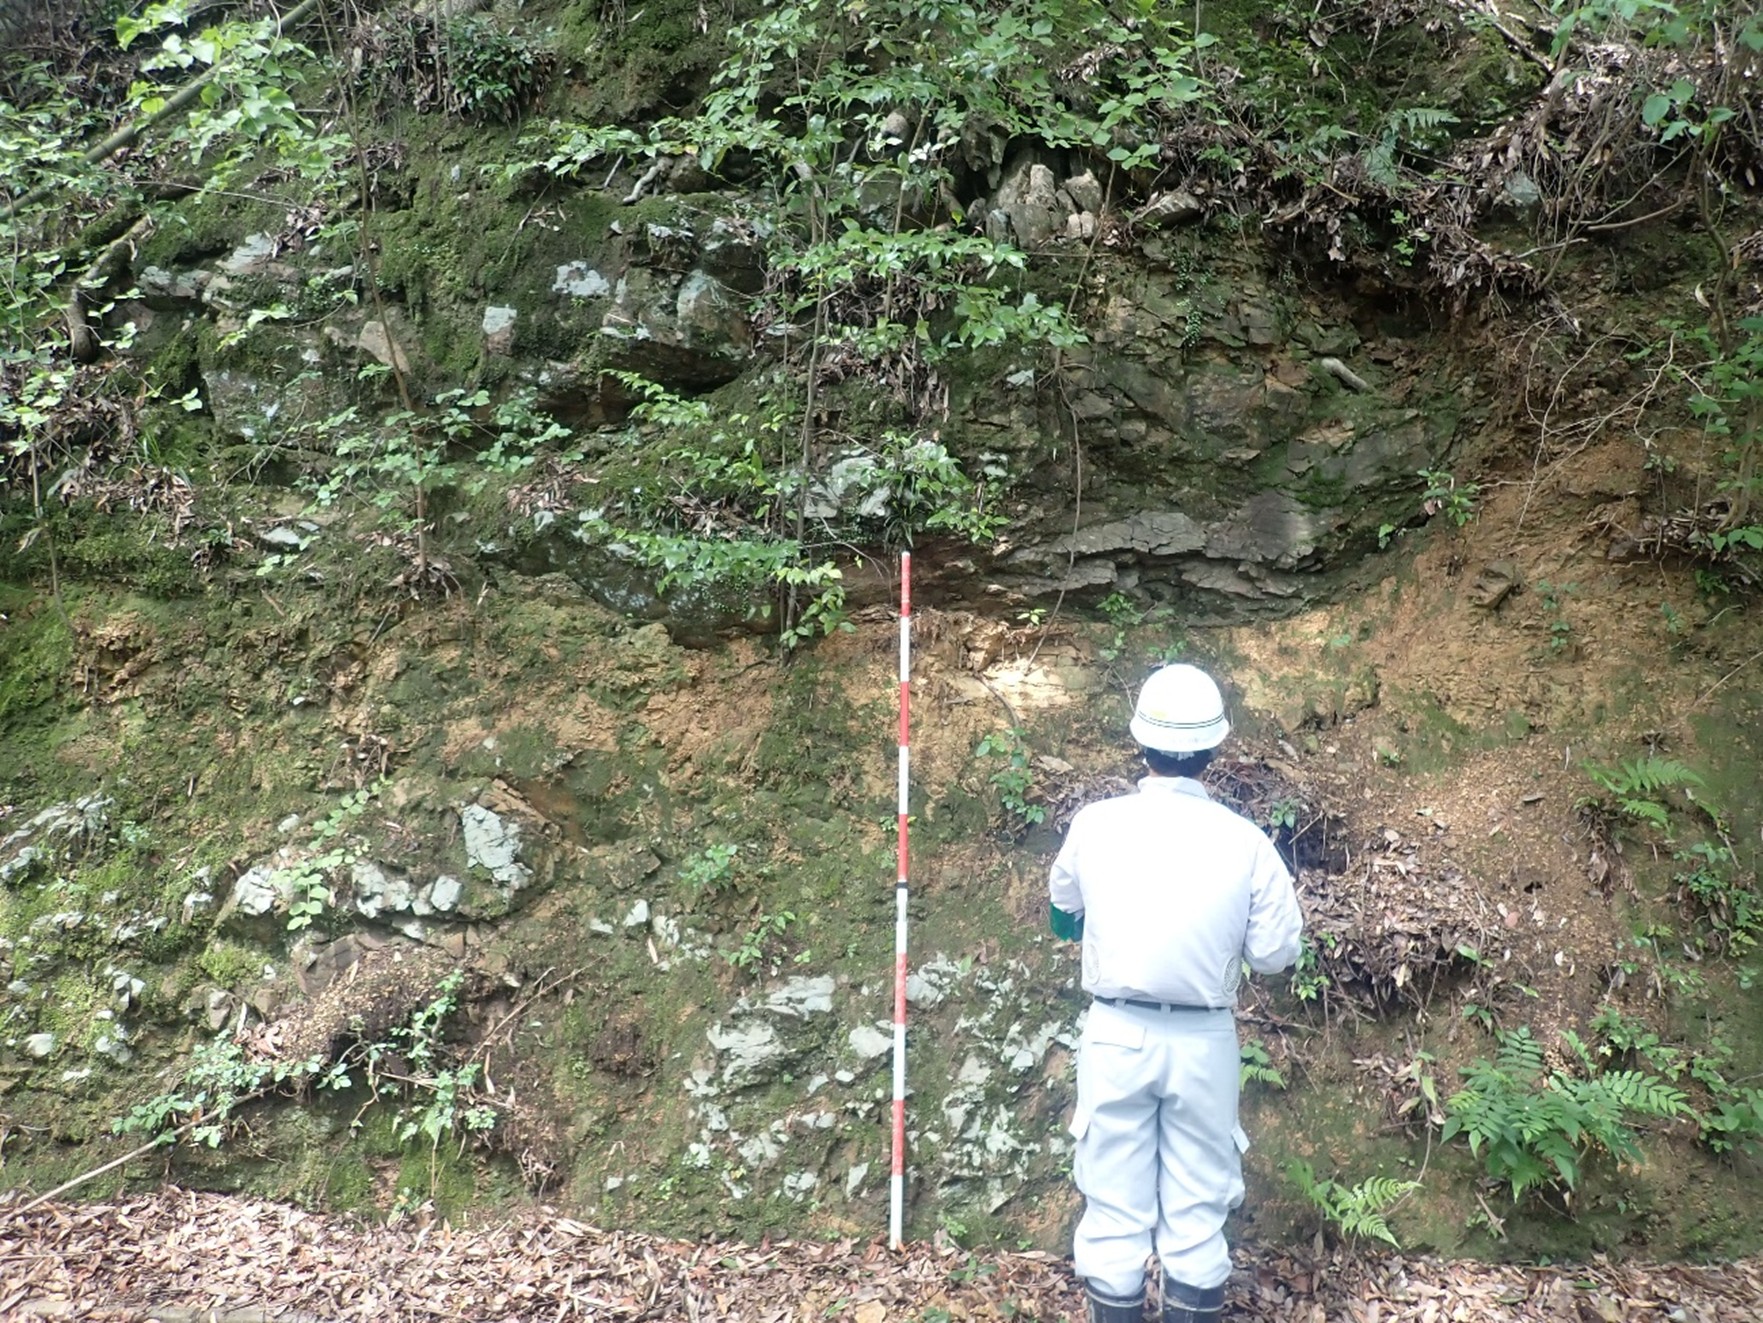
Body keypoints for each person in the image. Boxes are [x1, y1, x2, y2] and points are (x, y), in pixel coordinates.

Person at [1049, 663, 1304, 1323]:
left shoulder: (1095, 824)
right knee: (1196, 1210)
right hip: (1202, 1039)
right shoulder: (1247, 843)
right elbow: (1275, 954)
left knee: (1111, 1205)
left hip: (1114, 1031)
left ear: (1140, 742)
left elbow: (1062, 904)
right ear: (1215, 751)